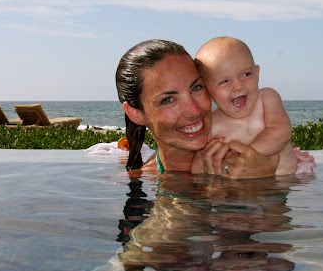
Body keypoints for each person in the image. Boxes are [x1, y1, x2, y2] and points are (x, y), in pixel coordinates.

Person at [116, 39, 279, 178]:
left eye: (197, 88)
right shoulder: (140, 179)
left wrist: (267, 180)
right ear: (135, 114)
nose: (194, 110)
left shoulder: (260, 150)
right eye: (168, 100)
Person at [193, 36, 316, 175]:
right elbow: (198, 164)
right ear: (207, 91)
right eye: (224, 81)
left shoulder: (266, 99)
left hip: (289, 177)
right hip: (239, 185)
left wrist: (243, 156)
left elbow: (281, 131)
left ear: (257, 73)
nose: (238, 86)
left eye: (246, 74)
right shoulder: (212, 124)